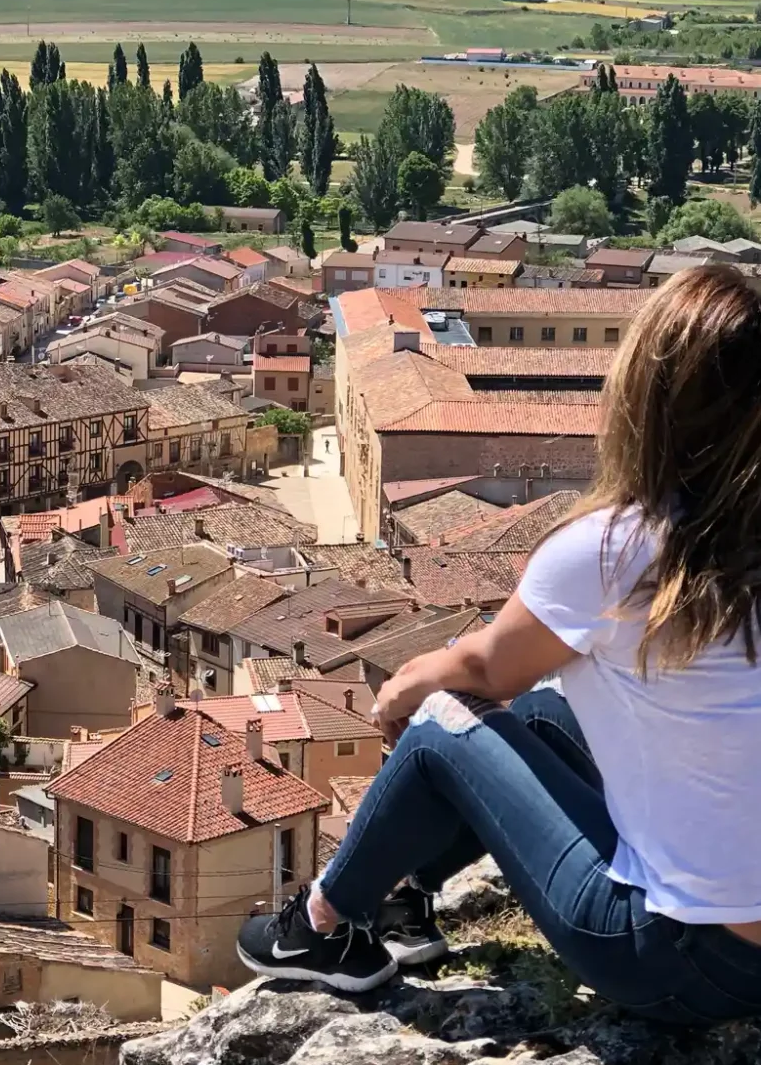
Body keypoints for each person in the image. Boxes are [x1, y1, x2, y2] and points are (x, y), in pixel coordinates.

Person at [238, 265, 761, 1023]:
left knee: (446, 720)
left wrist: (398, 697)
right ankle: (409, 897)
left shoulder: (616, 549)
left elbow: (477, 671)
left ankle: (318, 929)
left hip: (669, 958)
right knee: (550, 711)